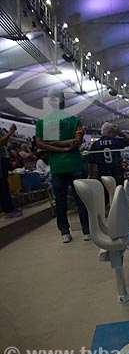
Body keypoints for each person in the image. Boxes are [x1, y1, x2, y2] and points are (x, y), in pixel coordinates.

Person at [35, 89, 90, 243]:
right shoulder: (74, 120)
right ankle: (86, 231)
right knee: (81, 199)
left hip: (57, 166)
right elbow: (77, 141)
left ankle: (64, 232)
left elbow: (41, 144)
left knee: (60, 201)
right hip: (75, 164)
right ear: (63, 101)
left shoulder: (44, 122)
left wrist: (55, 145)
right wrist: (66, 146)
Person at [0, 124, 23, 218]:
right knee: (2, 185)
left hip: (3, 158)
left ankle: (10, 208)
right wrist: (10, 132)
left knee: (4, 184)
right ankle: (7, 210)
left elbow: (5, 143)